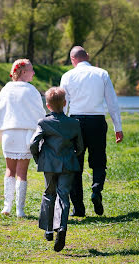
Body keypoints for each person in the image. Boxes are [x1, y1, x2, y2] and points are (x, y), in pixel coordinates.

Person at [60, 46, 123, 217]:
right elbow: (112, 103)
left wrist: (60, 126)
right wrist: (118, 128)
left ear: (72, 60)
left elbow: (63, 105)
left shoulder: (67, 76)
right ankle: (96, 189)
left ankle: (78, 208)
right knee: (98, 160)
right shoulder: (102, 73)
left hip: (75, 122)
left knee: (75, 165)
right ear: (87, 56)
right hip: (97, 121)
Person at [30, 87, 83, 252]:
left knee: (49, 194)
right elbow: (80, 146)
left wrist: (39, 158)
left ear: (47, 105)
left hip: (49, 164)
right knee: (63, 196)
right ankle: (62, 229)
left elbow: (33, 144)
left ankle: (48, 230)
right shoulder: (74, 123)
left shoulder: (43, 122)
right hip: (68, 164)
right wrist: (74, 154)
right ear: (65, 103)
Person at [0, 58, 46, 217]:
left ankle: (6, 207)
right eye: (31, 70)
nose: (34, 73)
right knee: (22, 173)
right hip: (26, 134)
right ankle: (19, 210)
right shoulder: (31, 90)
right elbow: (40, 114)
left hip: (9, 133)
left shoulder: (6, 89)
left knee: (9, 170)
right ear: (23, 72)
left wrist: (3, 125)